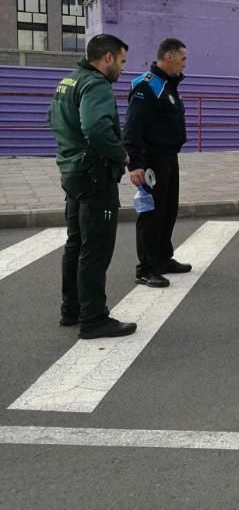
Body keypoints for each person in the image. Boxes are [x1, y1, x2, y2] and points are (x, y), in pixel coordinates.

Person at [48, 34, 138, 339]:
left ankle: (71, 309)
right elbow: (97, 127)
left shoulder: (69, 81)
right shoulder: (96, 84)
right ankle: (95, 318)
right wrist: (120, 153)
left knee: (76, 243)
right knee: (96, 248)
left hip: (72, 172)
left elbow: (54, 120)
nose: (123, 68)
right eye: (122, 61)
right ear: (108, 58)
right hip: (95, 174)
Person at [124, 37, 190, 288]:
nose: (185, 64)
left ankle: (163, 258)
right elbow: (133, 127)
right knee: (151, 213)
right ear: (169, 57)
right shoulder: (147, 86)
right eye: (183, 58)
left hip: (168, 157)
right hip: (151, 159)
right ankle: (146, 268)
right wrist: (136, 164)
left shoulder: (168, 84)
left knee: (168, 209)